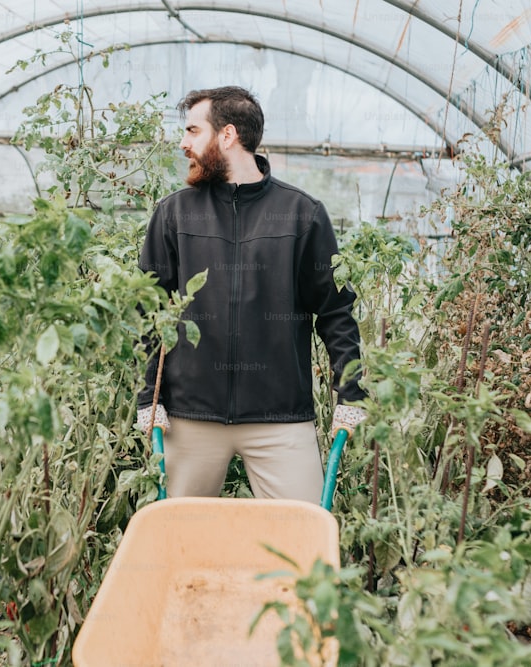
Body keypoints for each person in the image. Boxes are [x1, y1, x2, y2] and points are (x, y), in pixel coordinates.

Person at [135, 86, 366, 503]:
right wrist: (146, 395)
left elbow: (335, 311)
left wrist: (350, 391)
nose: (183, 143)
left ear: (227, 136)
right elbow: (149, 309)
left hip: (280, 421)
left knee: (301, 549)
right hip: (190, 418)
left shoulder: (302, 214)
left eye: (192, 130)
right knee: (179, 545)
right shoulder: (174, 214)